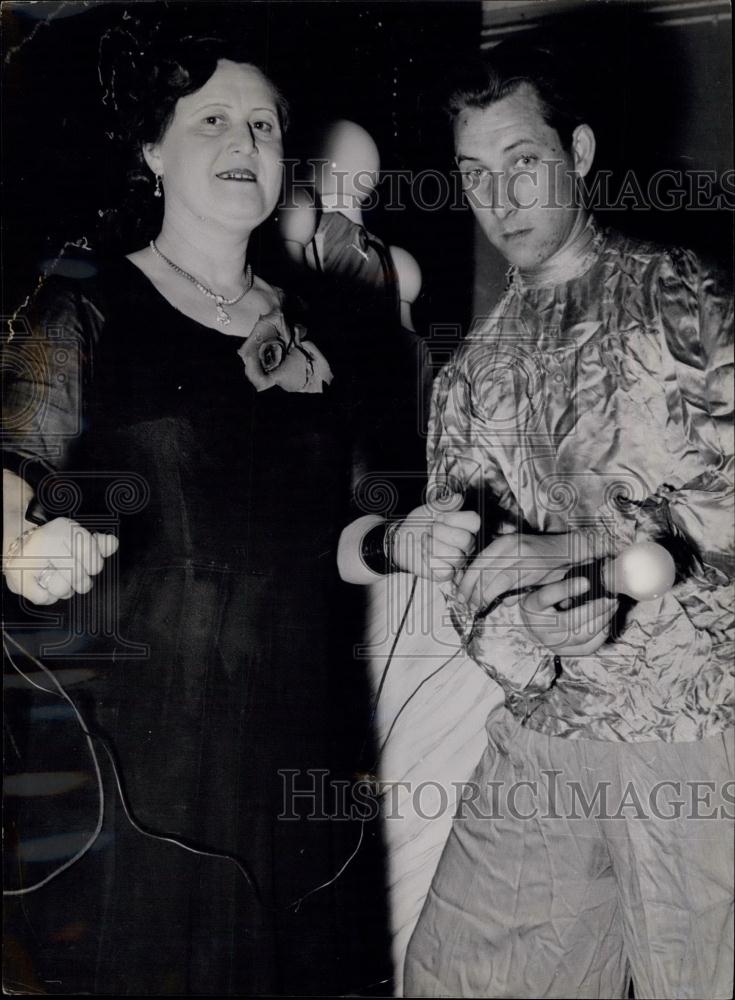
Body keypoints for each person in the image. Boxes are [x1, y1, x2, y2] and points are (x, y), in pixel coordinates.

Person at [340, 39, 733, 1000]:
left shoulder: (682, 300)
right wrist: (521, 624)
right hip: (544, 731)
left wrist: (589, 549)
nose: (501, 200)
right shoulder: (471, 375)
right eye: (475, 176)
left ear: (581, 152)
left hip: (691, 729)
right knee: (456, 979)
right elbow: (472, 585)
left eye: (523, 164)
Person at [2, 33, 389, 996]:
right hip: (144, 753)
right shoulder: (80, 304)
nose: (242, 140)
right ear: (151, 151)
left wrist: (397, 542)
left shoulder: (320, 323)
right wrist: (17, 545)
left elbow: (334, 534)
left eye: (262, 124)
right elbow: (11, 467)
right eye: (211, 118)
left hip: (296, 737)